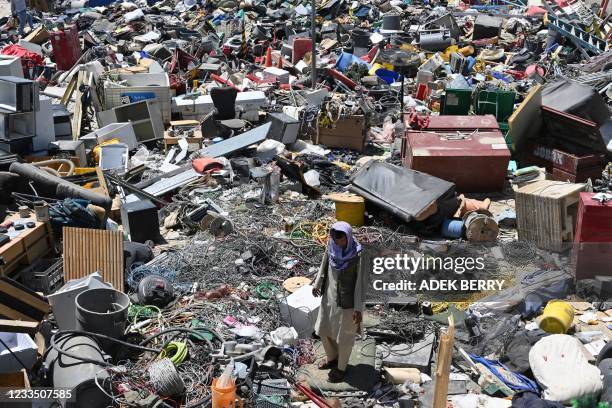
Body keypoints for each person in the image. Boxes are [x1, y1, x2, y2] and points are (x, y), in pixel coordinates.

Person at [312, 221, 364, 383]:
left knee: (344, 336)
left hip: (347, 303)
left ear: (348, 237)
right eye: (336, 239)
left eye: (341, 240)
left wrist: (358, 308)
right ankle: (332, 358)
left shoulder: (358, 255)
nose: (338, 243)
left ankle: (341, 368)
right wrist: (317, 283)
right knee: (323, 329)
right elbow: (324, 265)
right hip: (329, 296)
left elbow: (361, 283)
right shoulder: (332, 245)